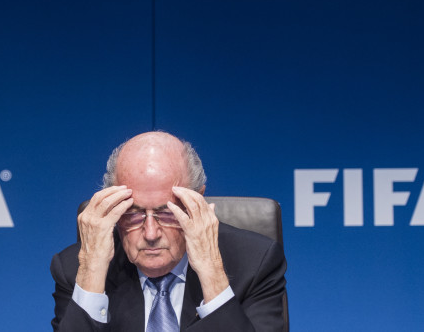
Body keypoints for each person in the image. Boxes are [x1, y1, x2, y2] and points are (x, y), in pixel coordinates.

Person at [51, 131, 287, 331]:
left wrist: (211, 272)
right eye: (133, 214)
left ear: (198, 200)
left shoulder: (254, 263)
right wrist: (91, 272)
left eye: (168, 213)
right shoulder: (74, 269)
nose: (151, 234)